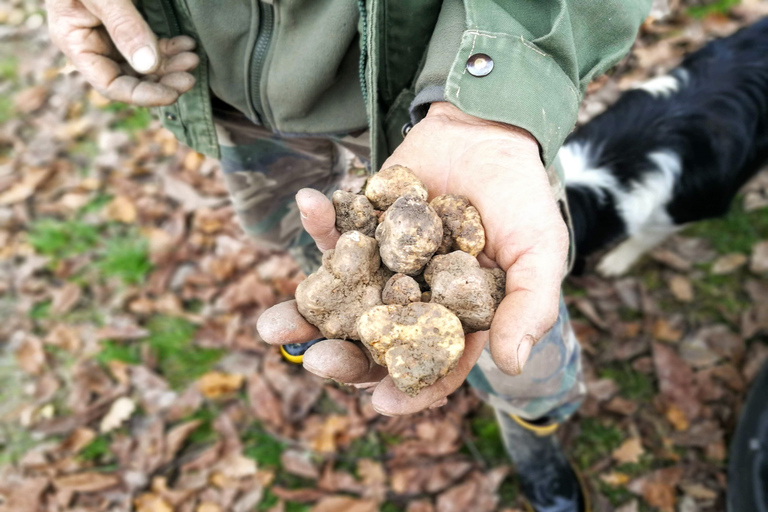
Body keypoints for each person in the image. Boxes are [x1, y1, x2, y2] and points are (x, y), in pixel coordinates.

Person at [46, 1, 652, 510]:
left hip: (448, 86)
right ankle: (338, 324)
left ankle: (534, 428)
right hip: (235, 94)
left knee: (517, 322)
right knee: (311, 237)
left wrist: (491, 101)